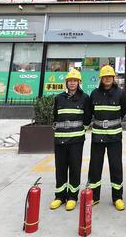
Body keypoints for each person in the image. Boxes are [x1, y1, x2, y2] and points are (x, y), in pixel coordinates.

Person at [50, 68, 91, 211]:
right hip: (60, 140)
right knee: (60, 168)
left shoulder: (85, 98)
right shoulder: (58, 98)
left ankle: (72, 197)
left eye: (75, 81)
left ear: (79, 82)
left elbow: (87, 118)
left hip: (76, 140)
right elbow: (55, 117)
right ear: (66, 82)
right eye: (70, 81)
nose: (72, 83)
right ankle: (59, 196)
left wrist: (80, 131)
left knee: (75, 168)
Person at [87, 65, 126, 210]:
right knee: (95, 166)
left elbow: (123, 111)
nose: (107, 79)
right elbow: (90, 112)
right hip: (98, 136)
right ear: (101, 79)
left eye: (110, 76)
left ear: (113, 78)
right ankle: (94, 196)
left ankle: (117, 197)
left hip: (115, 135)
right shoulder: (94, 94)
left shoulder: (120, 93)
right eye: (105, 77)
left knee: (116, 166)